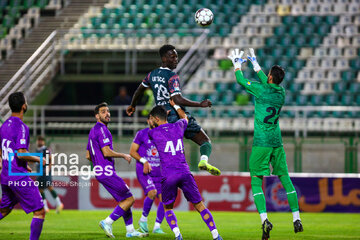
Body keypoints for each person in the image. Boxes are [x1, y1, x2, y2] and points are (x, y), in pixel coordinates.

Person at [228, 48, 303, 240]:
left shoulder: (261, 90)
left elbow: (241, 81)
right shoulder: (281, 93)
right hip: (277, 142)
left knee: (256, 181)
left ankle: (264, 220)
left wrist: (237, 64)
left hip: (261, 142)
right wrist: (255, 64)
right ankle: (296, 218)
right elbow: (266, 81)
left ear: (270, 77)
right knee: (285, 178)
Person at [126, 44, 221, 176]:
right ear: (164, 59)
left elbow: (139, 90)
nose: (176, 59)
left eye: (176, 56)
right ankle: (203, 161)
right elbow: (177, 99)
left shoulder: (151, 75)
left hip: (162, 119)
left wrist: (132, 105)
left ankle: (168, 173)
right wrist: (200, 104)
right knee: (205, 141)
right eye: (172, 57)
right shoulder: (172, 76)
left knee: (170, 152)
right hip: (177, 116)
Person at [147, 101, 223, 240]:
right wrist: (175, 106)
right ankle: (216, 235)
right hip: (184, 172)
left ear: (157, 119)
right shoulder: (178, 126)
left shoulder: (153, 133)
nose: (150, 121)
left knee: (168, 208)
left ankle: (178, 235)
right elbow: (185, 118)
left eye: (152, 118)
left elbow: (151, 127)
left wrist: (155, 121)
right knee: (199, 205)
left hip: (168, 175)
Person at [86, 102, 146, 238]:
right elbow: (106, 152)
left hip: (100, 172)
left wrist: (98, 164)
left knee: (124, 200)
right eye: (103, 112)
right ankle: (107, 222)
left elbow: (88, 155)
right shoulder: (102, 130)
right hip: (106, 172)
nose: (107, 114)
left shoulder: (93, 130)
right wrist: (124, 155)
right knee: (130, 199)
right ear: (97, 116)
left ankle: (130, 231)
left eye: (108, 111)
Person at [0, 92, 46, 240]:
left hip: (6, 176)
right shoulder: (21, 127)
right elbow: (20, 153)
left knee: (5, 209)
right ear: (24, 106)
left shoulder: (4, 125)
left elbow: (3, 151)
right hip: (17, 177)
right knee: (39, 211)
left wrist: (21, 164)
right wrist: (39, 159)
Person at [129, 116, 165, 235]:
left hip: (159, 173)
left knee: (165, 199)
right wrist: (144, 161)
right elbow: (132, 152)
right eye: (150, 118)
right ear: (148, 120)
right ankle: (143, 220)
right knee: (152, 192)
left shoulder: (163, 135)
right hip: (144, 171)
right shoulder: (141, 134)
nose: (151, 120)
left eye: (154, 118)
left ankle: (157, 227)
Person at [35, 136, 64, 213]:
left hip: (45, 171)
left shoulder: (45, 150)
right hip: (39, 171)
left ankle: (49, 206)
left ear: (44, 142)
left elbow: (51, 159)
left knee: (46, 187)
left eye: (41, 140)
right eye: (39, 140)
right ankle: (51, 205)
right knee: (42, 188)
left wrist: (48, 168)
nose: (40, 142)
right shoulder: (37, 150)